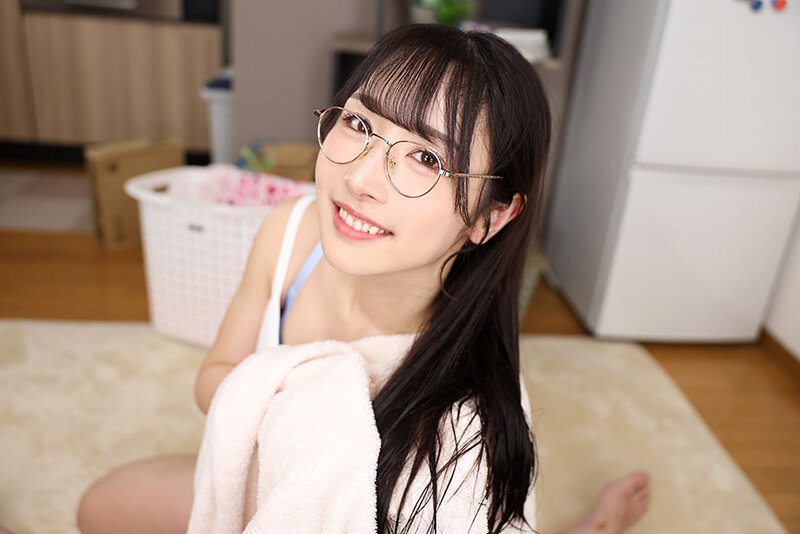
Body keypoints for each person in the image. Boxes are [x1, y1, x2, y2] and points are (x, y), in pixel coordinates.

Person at [77, 24, 650, 534]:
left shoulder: (470, 423)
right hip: (268, 470)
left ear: (490, 218)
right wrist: (298, 426)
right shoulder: (289, 233)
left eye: (427, 158)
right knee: (99, 510)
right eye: (358, 124)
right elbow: (216, 374)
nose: (361, 178)